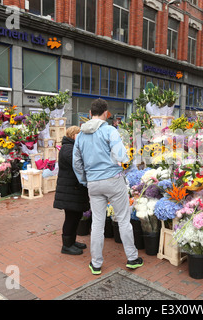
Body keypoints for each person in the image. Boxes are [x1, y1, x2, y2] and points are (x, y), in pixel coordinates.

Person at [73, 98, 143, 275]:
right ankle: (132, 258)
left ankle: (96, 264)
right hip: (113, 180)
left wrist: (85, 180)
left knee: (97, 223)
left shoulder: (80, 135)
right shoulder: (110, 130)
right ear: (106, 113)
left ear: (90, 113)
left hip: (93, 183)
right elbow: (122, 156)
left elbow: (77, 162)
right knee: (123, 219)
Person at [53, 126, 90, 255]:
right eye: (79, 135)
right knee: (70, 218)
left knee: (76, 216)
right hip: (69, 189)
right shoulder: (67, 148)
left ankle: (72, 241)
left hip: (73, 189)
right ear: (74, 135)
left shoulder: (72, 147)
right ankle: (66, 245)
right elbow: (78, 164)